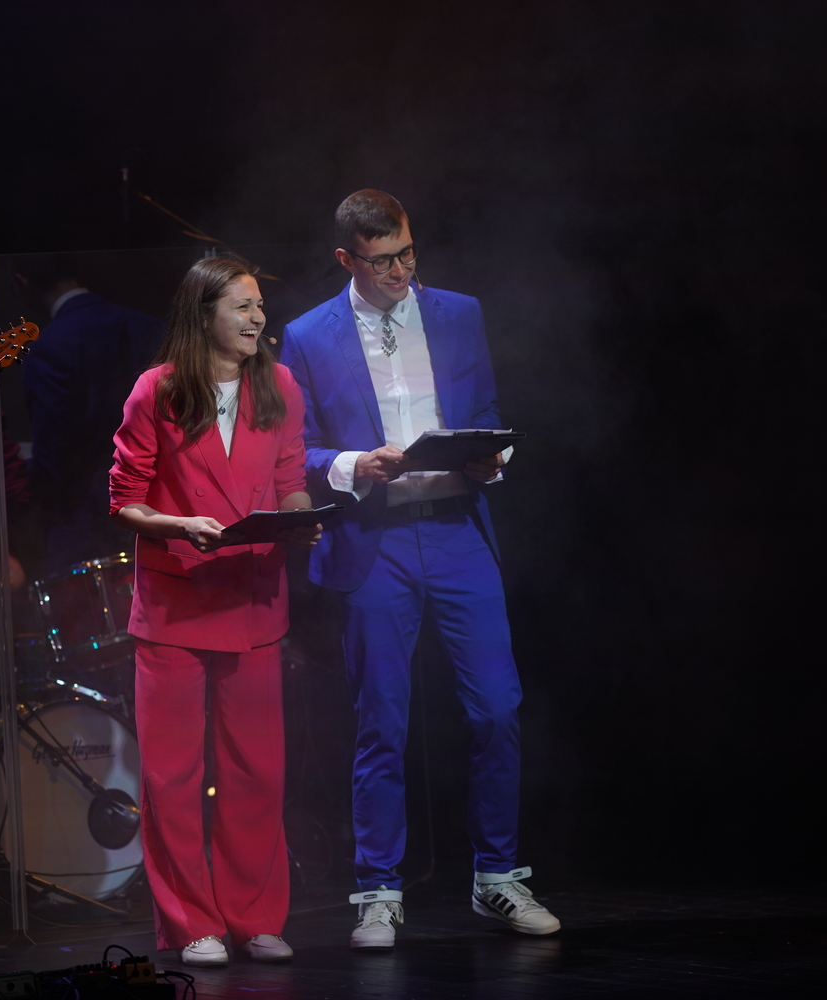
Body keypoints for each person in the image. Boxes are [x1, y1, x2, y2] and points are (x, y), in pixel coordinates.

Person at [281, 189, 561, 949]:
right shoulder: (307, 335)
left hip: (458, 530)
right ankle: (378, 890)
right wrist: (353, 464)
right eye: (382, 261)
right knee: (382, 718)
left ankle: (498, 877)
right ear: (347, 258)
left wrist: (490, 457)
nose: (400, 270)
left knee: (496, 709)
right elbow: (296, 449)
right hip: (377, 539)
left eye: (407, 253)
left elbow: (487, 411)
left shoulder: (459, 313)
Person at [108, 254, 319, 967]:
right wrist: (179, 525)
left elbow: (290, 479)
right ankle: (191, 923)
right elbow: (125, 500)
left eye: (259, 305)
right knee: (171, 777)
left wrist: (300, 519)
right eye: (243, 306)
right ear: (204, 317)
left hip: (253, 598)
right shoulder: (158, 390)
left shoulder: (279, 385)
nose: (258, 318)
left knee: (256, 771)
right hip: (175, 605)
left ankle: (255, 918)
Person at [18, 255, 164, 569]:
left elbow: (54, 449)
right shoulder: (148, 326)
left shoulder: (51, 345)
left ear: (23, 284)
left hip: (85, 515)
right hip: (158, 501)